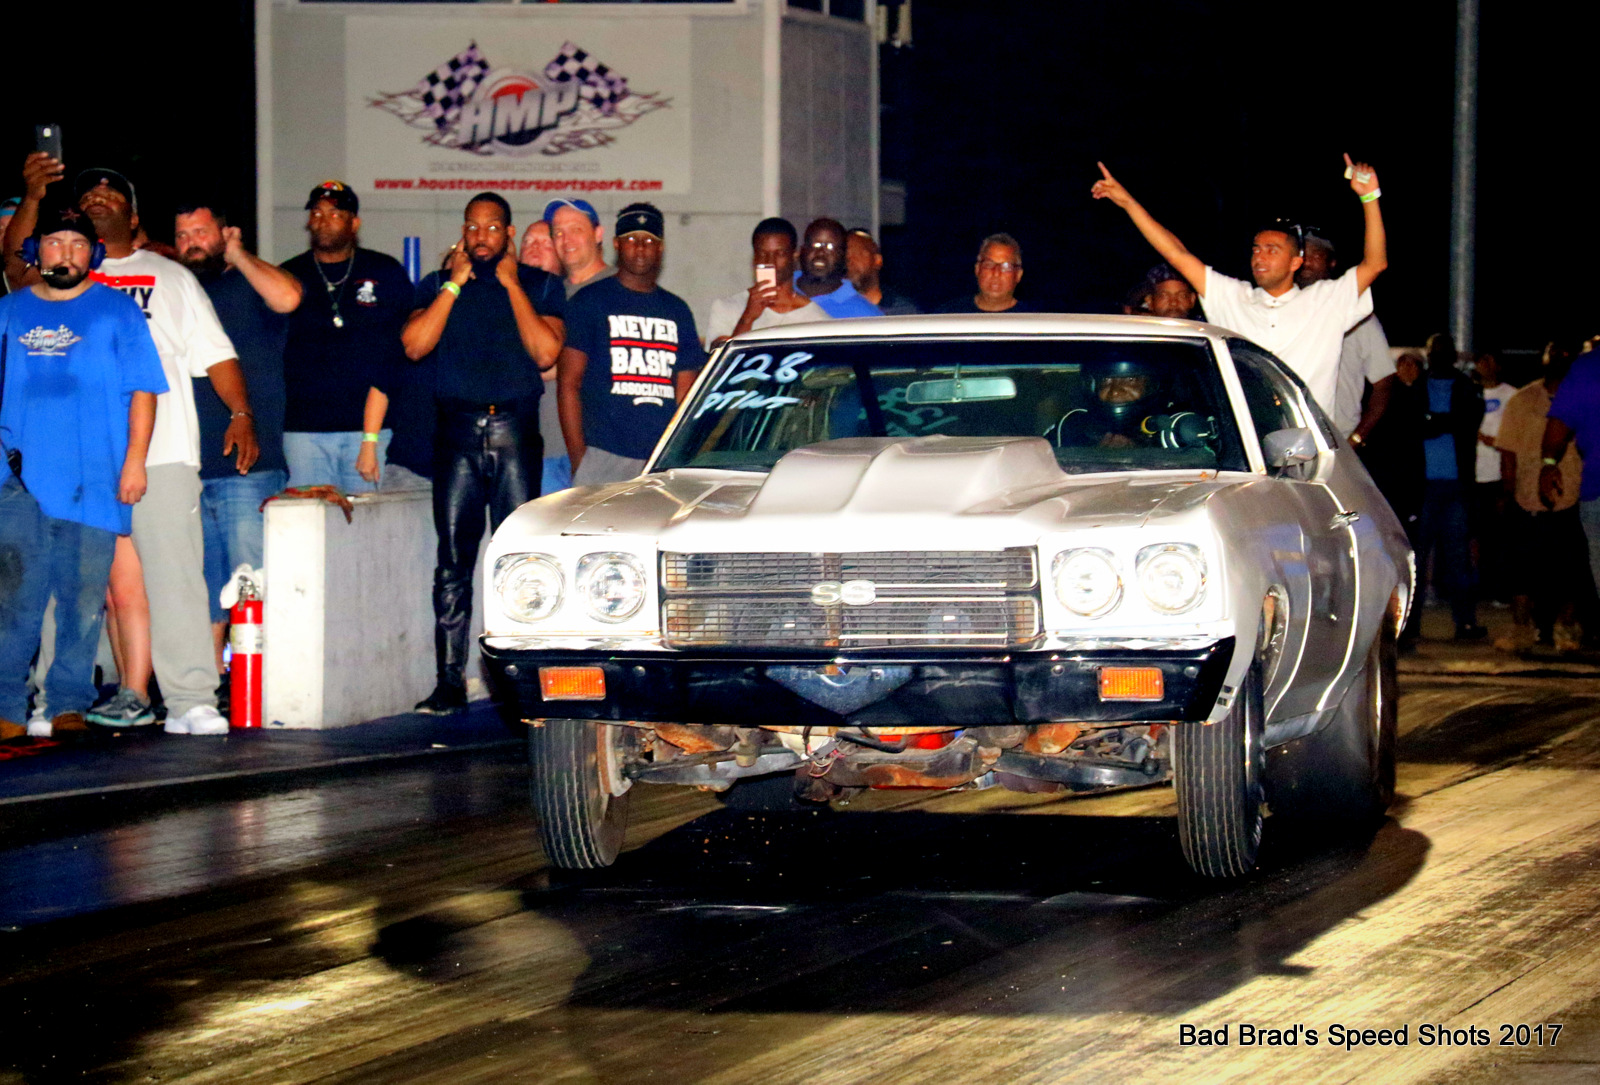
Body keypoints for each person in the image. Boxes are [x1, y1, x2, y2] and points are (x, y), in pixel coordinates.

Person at [5, 160, 258, 735]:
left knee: (174, 577)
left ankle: (191, 697)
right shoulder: (56, 276)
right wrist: (33, 195)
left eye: (112, 192)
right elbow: (12, 263)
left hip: (161, 452)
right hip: (75, 462)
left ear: (134, 215)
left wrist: (241, 414)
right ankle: (55, 700)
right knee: (66, 585)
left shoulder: (170, 276)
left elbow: (216, 353)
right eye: (88, 193)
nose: (99, 196)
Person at [0, 201, 166, 740]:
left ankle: (68, 702)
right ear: (37, 251)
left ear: (92, 254)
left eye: (76, 244)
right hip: (15, 482)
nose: (65, 253)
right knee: (13, 602)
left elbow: (144, 391)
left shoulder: (117, 311)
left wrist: (134, 463)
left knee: (81, 602)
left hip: (93, 480)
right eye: (54, 243)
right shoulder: (8, 312)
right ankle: (7, 709)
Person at [401, 193, 567, 715]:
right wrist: (452, 284)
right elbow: (414, 345)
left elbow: (546, 352)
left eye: (492, 227)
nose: (480, 236)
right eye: (472, 227)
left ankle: (518, 684)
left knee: (519, 559)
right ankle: (449, 682)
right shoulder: (437, 283)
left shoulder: (540, 284)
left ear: (508, 234)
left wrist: (513, 283)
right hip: (456, 434)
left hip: (515, 433)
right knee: (453, 561)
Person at [1092, 155, 1387, 420]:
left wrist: (1370, 197)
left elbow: (1375, 264)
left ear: (1296, 262)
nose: (1259, 257)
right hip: (1250, 447)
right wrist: (1128, 203)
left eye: (1272, 250)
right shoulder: (1233, 297)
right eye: (1256, 249)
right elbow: (1176, 254)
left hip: (1313, 445)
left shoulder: (1327, 300)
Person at [173, 201, 301, 677]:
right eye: (183, 235)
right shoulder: (176, 290)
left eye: (201, 232)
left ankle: (259, 685)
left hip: (250, 463)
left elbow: (289, 298)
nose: (192, 243)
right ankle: (209, 686)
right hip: (187, 464)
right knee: (203, 589)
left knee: (252, 581)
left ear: (225, 233)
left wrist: (239, 255)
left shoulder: (248, 282)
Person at [558, 203, 706, 486]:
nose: (640, 248)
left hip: (660, 460)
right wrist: (579, 459)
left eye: (649, 241)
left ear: (660, 247)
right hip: (603, 455)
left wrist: (676, 455)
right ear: (616, 244)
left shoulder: (677, 310)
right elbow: (568, 384)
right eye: (631, 239)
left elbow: (686, 395)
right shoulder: (589, 301)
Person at [281, 181, 411, 493]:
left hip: (369, 430)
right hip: (304, 431)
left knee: (368, 520)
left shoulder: (384, 270)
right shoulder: (289, 276)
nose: (323, 220)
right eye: (316, 213)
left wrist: (372, 436)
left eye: (335, 214)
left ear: (354, 223)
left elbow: (403, 347)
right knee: (308, 520)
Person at [1495, 347, 1589, 652]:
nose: (1559, 359)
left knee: (1571, 567)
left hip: (1573, 495)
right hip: (1528, 496)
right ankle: (1522, 629)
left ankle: (1566, 630)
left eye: (1565, 354)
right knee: (1521, 569)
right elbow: (1508, 451)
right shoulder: (1523, 400)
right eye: (1553, 353)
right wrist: (1507, 492)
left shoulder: (1584, 397)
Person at [1409, 334, 1486, 642]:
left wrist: (1433, 421)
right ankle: (1410, 626)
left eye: (1443, 352)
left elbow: (1467, 421)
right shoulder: (1417, 386)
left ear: (1453, 356)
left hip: (1456, 485)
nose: (1439, 358)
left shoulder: (1466, 387)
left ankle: (1465, 623)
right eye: (1434, 353)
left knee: (1458, 559)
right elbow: (1413, 425)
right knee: (1416, 559)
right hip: (1422, 486)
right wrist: (1444, 422)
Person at [544, 198, 616, 493]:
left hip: (602, 452)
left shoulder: (619, 289)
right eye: (558, 232)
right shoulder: (548, 293)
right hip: (547, 450)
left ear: (598, 234)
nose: (566, 239)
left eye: (575, 229)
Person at [1295, 231, 1393, 439]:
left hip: (1339, 439)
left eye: (1316, 255)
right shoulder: (1278, 310)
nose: (1307, 262)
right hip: (1287, 438)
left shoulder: (1360, 316)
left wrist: (1356, 438)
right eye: (1303, 255)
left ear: (1332, 262)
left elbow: (1384, 383)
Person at [704, 217, 829, 347]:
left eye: (779, 254)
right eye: (763, 254)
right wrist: (748, 318)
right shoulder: (726, 308)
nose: (770, 262)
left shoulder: (816, 319)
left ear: (794, 256)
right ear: (754, 258)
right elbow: (719, 357)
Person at [1352, 350, 1427, 539]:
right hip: (1383, 468)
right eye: (1403, 363)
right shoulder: (1384, 395)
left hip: (1408, 474)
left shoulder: (1423, 394)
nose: (1408, 368)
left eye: (1413, 364)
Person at [1471, 351, 1518, 605]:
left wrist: (1493, 441)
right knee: (1475, 535)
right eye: (1480, 360)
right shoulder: (1470, 391)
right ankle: (1478, 588)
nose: (1483, 365)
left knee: (1499, 535)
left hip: (1499, 475)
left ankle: (1501, 589)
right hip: (1472, 474)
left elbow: (1516, 435)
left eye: (1488, 360)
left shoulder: (1512, 395)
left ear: (1498, 366)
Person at [794, 218, 881, 318]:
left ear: (843, 256)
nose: (821, 252)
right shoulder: (781, 290)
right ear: (802, 250)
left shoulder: (864, 314)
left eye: (830, 247)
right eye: (815, 245)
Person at [937, 234, 1032, 314]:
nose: (996, 273)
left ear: (1018, 275)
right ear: (977, 269)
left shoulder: (1032, 319)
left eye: (1006, 266)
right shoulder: (950, 315)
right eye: (989, 264)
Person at [845, 228, 919, 315]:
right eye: (845, 257)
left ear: (877, 260)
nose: (851, 261)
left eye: (859, 254)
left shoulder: (903, 312)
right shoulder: (834, 311)